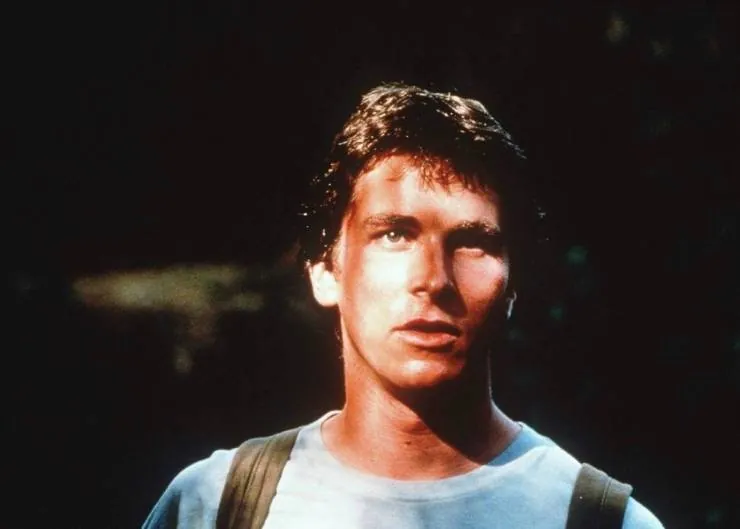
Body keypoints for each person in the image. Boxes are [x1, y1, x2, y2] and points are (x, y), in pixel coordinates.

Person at [142, 83, 664, 528]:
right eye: (394, 234)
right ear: (325, 269)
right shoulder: (217, 505)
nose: (433, 279)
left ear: (513, 286)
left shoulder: (600, 519)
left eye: (472, 242)